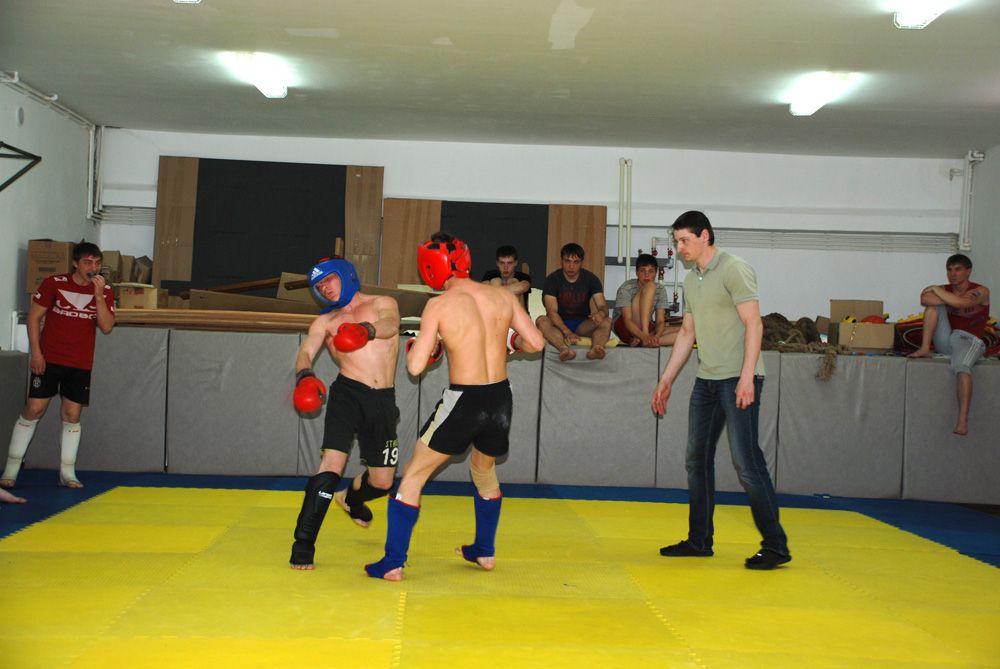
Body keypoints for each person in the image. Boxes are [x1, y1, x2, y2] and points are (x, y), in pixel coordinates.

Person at [365, 232, 544, 580]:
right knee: (483, 470)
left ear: (430, 268)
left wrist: (426, 347)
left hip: (465, 399)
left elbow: (415, 367)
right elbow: (535, 342)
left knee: (413, 475)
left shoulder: (439, 305)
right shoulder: (501, 296)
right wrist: (508, 343)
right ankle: (484, 551)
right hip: (500, 398)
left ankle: (393, 562)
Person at [651, 211, 791, 570]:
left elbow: (754, 324)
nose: (679, 248)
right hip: (707, 380)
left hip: (738, 379)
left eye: (684, 240)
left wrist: (747, 377)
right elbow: (687, 333)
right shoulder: (691, 279)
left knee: (747, 462)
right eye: (677, 241)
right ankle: (699, 541)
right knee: (696, 459)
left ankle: (775, 545)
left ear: (705, 236)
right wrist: (666, 380)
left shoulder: (734, 269)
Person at [289, 258, 402, 570]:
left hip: (382, 400)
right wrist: (304, 376)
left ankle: (350, 498)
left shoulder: (382, 303)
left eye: (329, 280)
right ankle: (303, 543)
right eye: (319, 286)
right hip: (346, 395)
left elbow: (391, 325)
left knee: (382, 482)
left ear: (346, 275)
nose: (324, 288)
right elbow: (305, 352)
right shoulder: (326, 322)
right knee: (330, 466)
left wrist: (364, 330)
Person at [2, 241, 114, 491]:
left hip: (80, 362)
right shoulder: (55, 283)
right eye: (87, 262)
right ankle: (11, 468)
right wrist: (36, 353)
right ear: (75, 263)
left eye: (97, 263)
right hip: (50, 358)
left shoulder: (105, 291)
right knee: (33, 409)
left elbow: (107, 327)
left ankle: (67, 472)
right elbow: (34, 317)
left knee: (72, 414)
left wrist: (98, 296)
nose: (93, 268)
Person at [908, 254, 990, 436]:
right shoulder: (944, 289)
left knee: (962, 367)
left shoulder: (981, 291)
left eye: (958, 269)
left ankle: (962, 420)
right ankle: (924, 348)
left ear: (968, 271)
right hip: (947, 339)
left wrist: (940, 292)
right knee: (933, 307)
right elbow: (924, 299)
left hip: (969, 340)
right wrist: (946, 295)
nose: (952, 274)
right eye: (949, 270)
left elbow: (960, 303)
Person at [536, 242, 611, 361]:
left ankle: (597, 348)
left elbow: (602, 305)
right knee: (541, 320)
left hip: (582, 325)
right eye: (567, 261)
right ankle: (564, 349)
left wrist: (601, 313)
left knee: (607, 321)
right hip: (558, 325)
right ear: (561, 261)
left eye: (576, 262)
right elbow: (551, 312)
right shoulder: (552, 280)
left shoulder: (591, 279)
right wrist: (567, 332)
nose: (571, 266)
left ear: (582, 262)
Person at [614, 253, 680, 347]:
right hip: (625, 327)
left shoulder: (660, 289)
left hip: (646, 327)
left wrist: (656, 336)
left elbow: (660, 321)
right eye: (642, 271)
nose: (646, 275)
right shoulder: (626, 288)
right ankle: (644, 338)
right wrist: (645, 336)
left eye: (651, 271)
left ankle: (650, 342)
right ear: (636, 272)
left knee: (688, 332)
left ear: (656, 273)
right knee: (650, 286)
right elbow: (627, 320)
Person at [481, 244, 531, 311]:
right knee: (495, 281)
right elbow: (482, 288)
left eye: (509, 263)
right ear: (497, 263)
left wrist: (496, 291)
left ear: (515, 263)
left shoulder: (522, 276)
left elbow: (523, 287)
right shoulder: (490, 275)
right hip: (496, 313)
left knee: (513, 282)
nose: (505, 267)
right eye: (502, 263)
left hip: (518, 315)